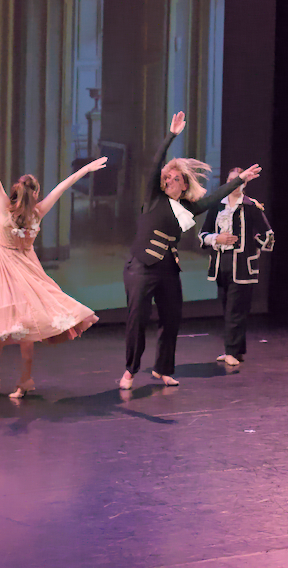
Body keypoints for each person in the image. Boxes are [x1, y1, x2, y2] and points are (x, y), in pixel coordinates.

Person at [119, 112, 262, 390]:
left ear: (184, 184)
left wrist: (240, 180)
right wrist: (172, 135)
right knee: (138, 320)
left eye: (175, 178)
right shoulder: (153, 198)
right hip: (141, 267)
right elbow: (155, 164)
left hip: (168, 268)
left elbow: (214, 196)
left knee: (172, 319)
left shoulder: (187, 208)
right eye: (167, 177)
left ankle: (163, 369)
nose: (169, 180)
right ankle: (130, 370)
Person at [0, 131, 105, 398]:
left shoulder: (6, 208)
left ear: (16, 191)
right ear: (36, 193)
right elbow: (63, 186)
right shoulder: (38, 212)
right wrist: (86, 168)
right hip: (26, 270)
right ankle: (24, 378)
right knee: (27, 321)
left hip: (4, 268)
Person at [198, 167, 275, 366]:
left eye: (239, 180)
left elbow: (268, 236)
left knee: (235, 310)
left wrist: (251, 245)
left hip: (242, 266)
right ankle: (236, 350)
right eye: (231, 180)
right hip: (221, 264)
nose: (234, 184)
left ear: (245, 183)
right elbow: (203, 235)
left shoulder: (250, 206)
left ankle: (231, 351)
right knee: (229, 309)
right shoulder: (217, 205)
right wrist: (217, 238)